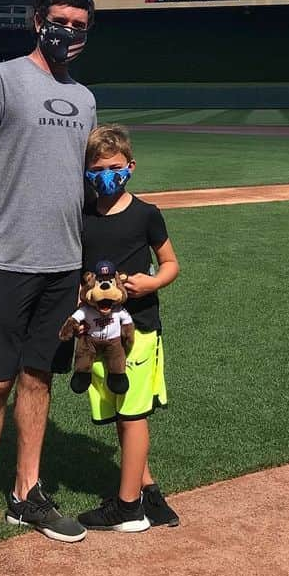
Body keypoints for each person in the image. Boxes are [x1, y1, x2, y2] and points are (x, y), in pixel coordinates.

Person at [0, 0, 97, 576]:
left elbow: (81, 183)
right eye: (59, 20)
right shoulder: (2, 78)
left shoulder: (85, 99)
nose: (67, 32)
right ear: (39, 20)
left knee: (38, 379)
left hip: (63, 264)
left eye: (79, 26)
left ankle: (26, 494)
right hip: (7, 260)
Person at [73, 124, 182, 532]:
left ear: (130, 167)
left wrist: (152, 282)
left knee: (134, 414)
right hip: (97, 332)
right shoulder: (83, 217)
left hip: (137, 328)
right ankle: (147, 489)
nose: (106, 176)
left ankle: (128, 505)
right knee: (122, 411)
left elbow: (170, 263)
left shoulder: (146, 214)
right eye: (97, 169)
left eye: (114, 168)